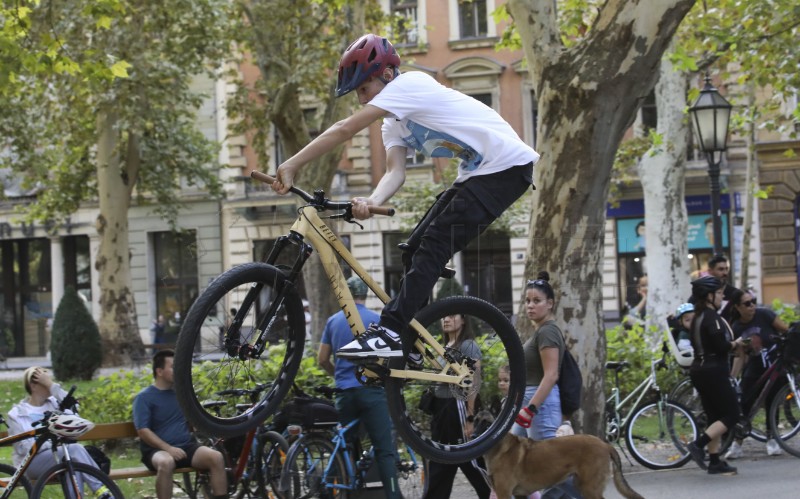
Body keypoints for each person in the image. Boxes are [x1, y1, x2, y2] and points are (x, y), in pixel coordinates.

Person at [270, 33, 539, 365]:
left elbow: (343, 129)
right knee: (413, 250)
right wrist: (372, 199)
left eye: (363, 89)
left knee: (436, 241)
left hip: (506, 168)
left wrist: (292, 163)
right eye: (356, 93)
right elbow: (395, 173)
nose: (360, 99)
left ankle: (391, 330)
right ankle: (411, 341)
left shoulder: (409, 84)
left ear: (385, 75)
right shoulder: (391, 124)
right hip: (478, 174)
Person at [317, 276, 400, 498]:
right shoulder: (376, 320)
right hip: (371, 392)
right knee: (384, 449)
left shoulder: (333, 321)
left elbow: (322, 359)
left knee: (343, 444)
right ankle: (393, 495)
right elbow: (389, 359)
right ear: (365, 293)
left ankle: (331, 489)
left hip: (344, 394)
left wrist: (340, 375)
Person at [512, 273, 580, 499]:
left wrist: (530, 409)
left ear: (550, 304)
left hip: (540, 405)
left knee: (553, 470)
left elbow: (551, 375)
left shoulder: (548, 331)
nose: (530, 306)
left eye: (536, 301)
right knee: (515, 463)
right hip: (531, 402)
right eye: (527, 301)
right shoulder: (540, 331)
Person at [133, 350, 228, 499]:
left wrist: (196, 424)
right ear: (159, 371)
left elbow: (191, 421)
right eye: (172, 366)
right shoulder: (144, 397)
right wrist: (169, 449)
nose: (177, 369)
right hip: (157, 451)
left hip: (186, 447)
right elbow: (143, 431)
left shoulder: (181, 394)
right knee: (166, 462)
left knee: (216, 457)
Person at [7, 367, 112, 498]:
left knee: (71, 463)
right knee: (74, 450)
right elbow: (22, 448)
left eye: (49, 381)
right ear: (33, 386)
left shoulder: (55, 404)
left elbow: (74, 409)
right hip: (30, 464)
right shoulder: (17, 414)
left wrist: (52, 386)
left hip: (59, 456)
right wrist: (51, 443)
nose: (49, 385)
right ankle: (103, 491)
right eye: (44, 382)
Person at [685, 276, 748, 476]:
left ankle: (714, 461)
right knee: (732, 415)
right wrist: (736, 343)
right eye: (719, 293)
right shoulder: (712, 317)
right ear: (709, 296)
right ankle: (699, 444)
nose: (722, 297)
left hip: (699, 369)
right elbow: (721, 346)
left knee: (715, 417)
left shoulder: (697, 316)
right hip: (713, 370)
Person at [424, 313, 490, 499]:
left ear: (463, 320)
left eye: (452, 315)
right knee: (440, 463)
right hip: (440, 412)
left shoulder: (468, 345)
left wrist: (470, 418)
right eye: (443, 316)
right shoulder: (444, 346)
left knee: (473, 463)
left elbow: (474, 381)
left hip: (458, 409)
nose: (446, 319)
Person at [725, 289, 790, 460]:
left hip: (775, 367)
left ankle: (772, 439)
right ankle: (737, 443)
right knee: (745, 403)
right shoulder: (737, 327)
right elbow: (740, 356)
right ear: (738, 307)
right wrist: (732, 377)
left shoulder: (765, 315)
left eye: (753, 301)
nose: (752, 305)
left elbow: (785, 331)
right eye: (747, 303)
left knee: (772, 403)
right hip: (754, 369)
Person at [705, 254, 739, 323]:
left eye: (726, 269)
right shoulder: (701, 293)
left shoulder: (735, 294)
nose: (725, 273)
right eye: (721, 269)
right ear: (710, 271)